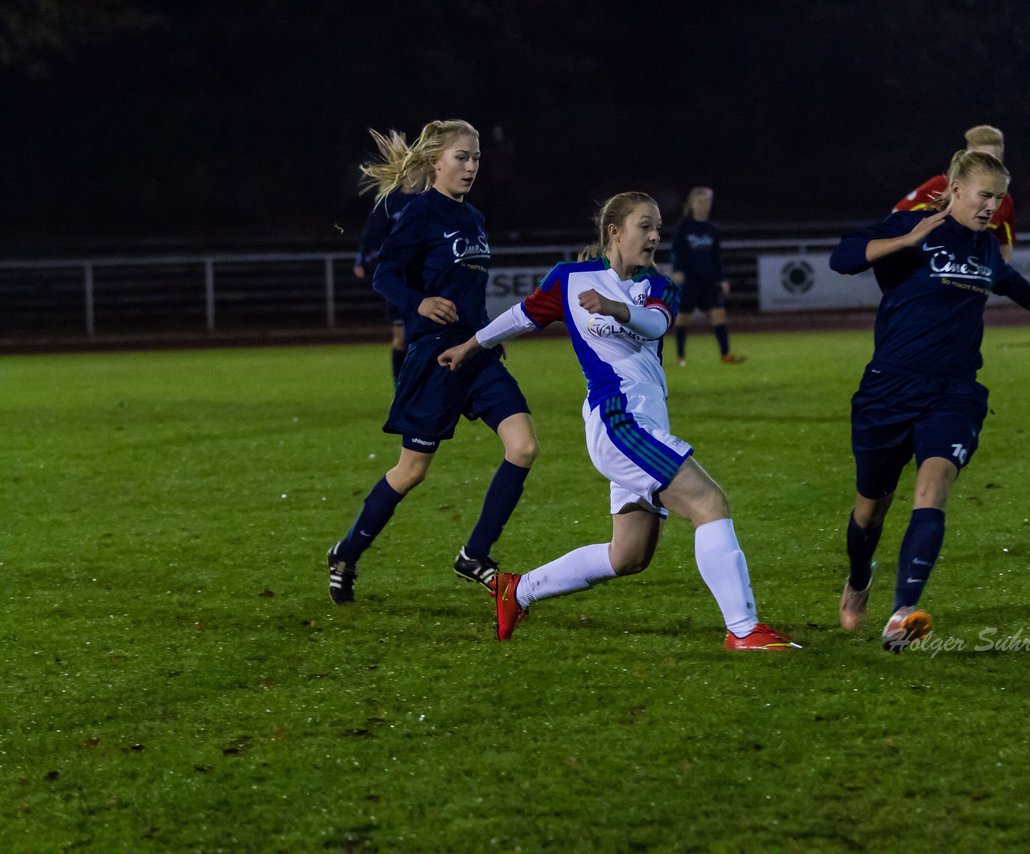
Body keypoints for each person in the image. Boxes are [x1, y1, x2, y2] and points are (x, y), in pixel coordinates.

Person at [438, 191, 798, 651]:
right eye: (644, 226)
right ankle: (745, 629)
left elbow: (655, 325)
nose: (654, 236)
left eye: (658, 228)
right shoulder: (569, 279)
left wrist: (615, 308)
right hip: (618, 421)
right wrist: (470, 346)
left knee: (628, 555)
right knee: (709, 502)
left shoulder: (659, 286)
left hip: (642, 422)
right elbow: (522, 315)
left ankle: (518, 589)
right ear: (615, 231)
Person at [830, 150, 1030, 651]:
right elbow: (842, 257)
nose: (992, 208)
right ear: (956, 189)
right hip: (888, 389)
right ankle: (859, 577)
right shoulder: (913, 225)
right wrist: (906, 240)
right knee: (869, 511)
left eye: (999, 199)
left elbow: (1017, 287)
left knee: (933, 487)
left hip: (953, 392)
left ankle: (903, 612)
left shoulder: (985, 248)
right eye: (984, 196)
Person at [326, 119, 539, 605]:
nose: (471, 166)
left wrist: (487, 332)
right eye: (462, 157)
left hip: (477, 354)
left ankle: (474, 555)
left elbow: (469, 289)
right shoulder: (418, 214)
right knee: (411, 471)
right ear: (435, 162)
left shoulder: (476, 218)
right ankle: (347, 552)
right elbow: (385, 274)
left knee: (523, 446)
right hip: (434, 359)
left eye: (477, 157)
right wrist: (418, 303)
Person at [353, 129, 424, 383]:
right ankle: (401, 387)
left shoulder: (429, 200)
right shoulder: (388, 202)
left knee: (427, 335)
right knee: (401, 337)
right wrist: (361, 259)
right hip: (399, 278)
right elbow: (371, 233)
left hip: (425, 276)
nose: (416, 174)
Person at [895, 125, 1017, 262]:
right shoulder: (939, 186)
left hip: (974, 278)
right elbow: (897, 215)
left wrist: (997, 277)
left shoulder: (1004, 199)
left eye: (994, 160)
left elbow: (1005, 244)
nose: (988, 166)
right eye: (981, 158)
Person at [669, 187, 745, 366]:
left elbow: (716, 256)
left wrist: (722, 278)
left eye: (706, 201)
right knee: (683, 317)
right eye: (700, 201)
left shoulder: (713, 228)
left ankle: (725, 355)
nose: (703, 205)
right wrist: (677, 270)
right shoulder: (684, 226)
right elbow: (677, 250)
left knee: (719, 315)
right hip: (690, 279)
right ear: (692, 204)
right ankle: (681, 357)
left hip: (709, 280)